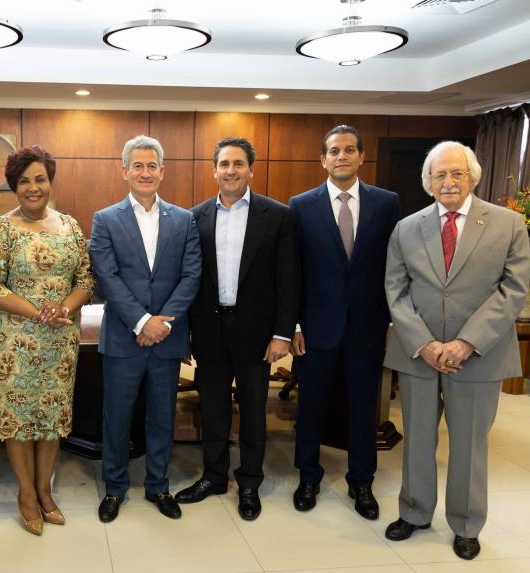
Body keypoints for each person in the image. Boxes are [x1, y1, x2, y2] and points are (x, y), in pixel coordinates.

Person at [383, 141, 529, 560]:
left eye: (456, 173)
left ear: (473, 177)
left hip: (478, 355)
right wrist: (425, 343)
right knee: (417, 441)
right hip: (419, 354)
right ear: (428, 182)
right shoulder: (406, 228)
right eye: (440, 175)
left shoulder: (508, 224)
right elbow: (395, 289)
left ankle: (466, 523)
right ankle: (413, 513)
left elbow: (513, 289)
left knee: (469, 444)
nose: (448, 181)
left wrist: (466, 342)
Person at [176, 137, 298, 520]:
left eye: (238, 164)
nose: (231, 170)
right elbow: (187, 279)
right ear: (214, 170)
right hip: (208, 331)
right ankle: (214, 477)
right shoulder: (193, 218)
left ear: (251, 169)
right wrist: (184, 332)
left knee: (252, 411)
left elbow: (288, 280)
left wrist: (282, 334)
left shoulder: (276, 215)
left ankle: (249, 483)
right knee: (212, 408)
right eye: (224, 164)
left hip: (257, 335)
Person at [0, 145, 94, 535]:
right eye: (24, 181)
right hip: (17, 341)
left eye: (39, 179)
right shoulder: (2, 229)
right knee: (20, 420)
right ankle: (25, 493)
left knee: (52, 417)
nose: (32, 187)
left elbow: (85, 280)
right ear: (14, 186)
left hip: (61, 341)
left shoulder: (71, 226)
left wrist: (65, 307)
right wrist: (38, 311)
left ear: (50, 181)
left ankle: (46, 491)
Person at [289, 125, 400, 520]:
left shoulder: (387, 204)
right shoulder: (300, 205)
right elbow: (294, 272)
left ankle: (362, 481)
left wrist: (391, 320)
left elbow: (394, 268)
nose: (341, 156)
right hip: (316, 329)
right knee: (311, 407)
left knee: (363, 408)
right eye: (334, 150)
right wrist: (295, 326)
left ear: (360, 156)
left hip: (367, 328)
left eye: (349, 149)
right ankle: (308, 476)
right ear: (323, 159)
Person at [89, 135, 202, 523]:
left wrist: (162, 323)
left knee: (161, 416)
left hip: (166, 340)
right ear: (124, 171)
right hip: (124, 338)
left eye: (152, 165)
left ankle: (158, 485)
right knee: (117, 418)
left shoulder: (184, 220)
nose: (145, 172)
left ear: (162, 171)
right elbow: (107, 276)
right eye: (137, 165)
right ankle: (115, 488)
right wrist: (141, 321)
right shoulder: (104, 219)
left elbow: (191, 276)